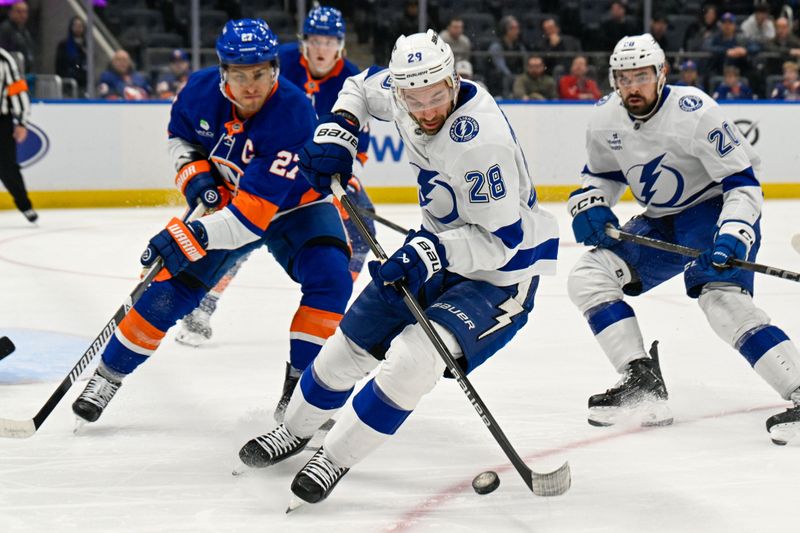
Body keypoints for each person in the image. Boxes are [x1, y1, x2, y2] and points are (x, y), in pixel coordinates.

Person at [238, 29, 559, 507]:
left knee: (413, 359)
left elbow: (501, 242)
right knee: (349, 343)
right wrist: (340, 130)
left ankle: (335, 455)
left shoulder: (480, 144)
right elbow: (361, 87)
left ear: (454, 80)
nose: (426, 109)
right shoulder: (405, 89)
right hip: (436, 248)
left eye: (436, 96)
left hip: (500, 276)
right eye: (413, 98)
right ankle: (293, 431)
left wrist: (431, 254)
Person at [70, 19, 354, 428]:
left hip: (296, 208)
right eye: (240, 75)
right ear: (224, 72)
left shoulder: (292, 113)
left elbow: (250, 221)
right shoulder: (199, 91)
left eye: (259, 73)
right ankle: (106, 377)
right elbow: (179, 140)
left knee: (331, 279)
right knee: (169, 290)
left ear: (274, 69)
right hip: (229, 205)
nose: (251, 85)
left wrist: (189, 235)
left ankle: (300, 398)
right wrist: (197, 179)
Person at [566, 34, 800, 445]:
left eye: (641, 76)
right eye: (624, 78)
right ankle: (641, 381)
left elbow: (743, 185)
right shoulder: (605, 117)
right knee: (588, 275)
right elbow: (599, 175)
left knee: (721, 299)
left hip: (713, 211)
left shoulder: (695, 113)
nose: (632, 86)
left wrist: (733, 235)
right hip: (661, 222)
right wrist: (590, 204)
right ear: (613, 80)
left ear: (662, 73)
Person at [174, 7, 376, 389]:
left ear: (341, 46)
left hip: (317, 172)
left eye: (329, 42)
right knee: (245, 228)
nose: (321, 49)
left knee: (363, 224)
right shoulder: (276, 61)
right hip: (261, 162)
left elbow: (358, 140)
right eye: (315, 40)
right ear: (304, 43)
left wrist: (347, 174)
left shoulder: (353, 80)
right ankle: (204, 301)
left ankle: (331, 312)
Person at [0, 46, 35, 222]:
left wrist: (22, 121)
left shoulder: (3, 59)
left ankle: (24, 204)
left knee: (7, 168)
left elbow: (17, 90)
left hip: (1, 121)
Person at [486, 15, 526, 98]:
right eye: (512, 28)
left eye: (517, 28)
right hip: (499, 81)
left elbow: (525, 64)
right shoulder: (496, 46)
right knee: (505, 77)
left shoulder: (519, 46)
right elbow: (502, 68)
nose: (516, 31)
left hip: (515, 76)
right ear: (505, 30)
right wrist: (515, 78)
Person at [55, 16, 87, 93]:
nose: (78, 28)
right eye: (76, 26)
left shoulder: (87, 45)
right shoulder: (64, 45)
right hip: (68, 83)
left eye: (80, 26)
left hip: (83, 84)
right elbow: (59, 66)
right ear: (71, 27)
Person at [0, 1, 34, 73]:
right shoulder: (5, 29)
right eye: (19, 12)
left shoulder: (24, 31)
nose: (23, 15)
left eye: (25, 12)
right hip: (10, 72)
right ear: (11, 13)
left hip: (24, 71)